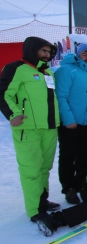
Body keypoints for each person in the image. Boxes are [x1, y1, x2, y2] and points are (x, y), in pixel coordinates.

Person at [0, 37, 61, 225]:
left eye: (49, 52)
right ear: (31, 50)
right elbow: (4, 93)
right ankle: (35, 210)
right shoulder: (16, 68)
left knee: (44, 167)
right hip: (28, 128)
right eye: (43, 51)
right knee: (31, 169)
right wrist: (13, 114)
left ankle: (42, 200)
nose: (46, 54)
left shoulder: (47, 71)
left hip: (49, 127)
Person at [54, 42, 87, 204]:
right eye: (85, 54)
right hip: (70, 123)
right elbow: (61, 96)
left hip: (86, 122)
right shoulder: (66, 70)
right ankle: (69, 188)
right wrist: (68, 120)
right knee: (68, 156)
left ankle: (83, 183)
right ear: (78, 55)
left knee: (83, 155)